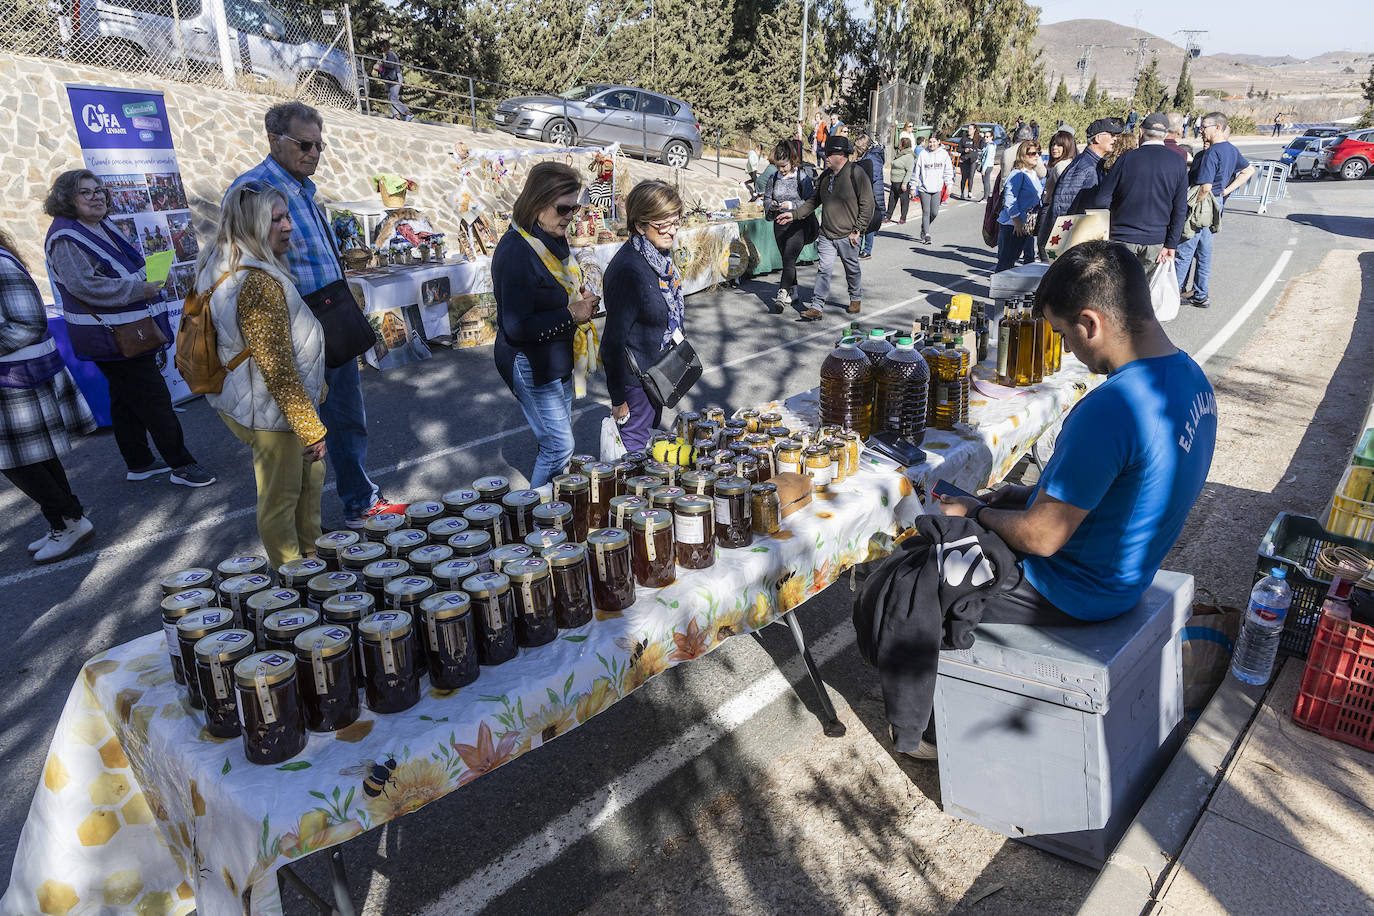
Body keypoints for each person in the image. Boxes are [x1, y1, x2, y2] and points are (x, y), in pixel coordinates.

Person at [866, 241, 1215, 759]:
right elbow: (1128, 485)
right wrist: (1029, 494)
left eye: (1064, 333)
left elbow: (1043, 537)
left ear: (1091, 322)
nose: (1068, 350)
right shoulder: (1191, 380)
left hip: (1073, 592)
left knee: (909, 574)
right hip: (1124, 575)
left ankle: (922, 729)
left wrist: (980, 511)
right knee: (961, 532)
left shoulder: (1112, 407)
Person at [228, 101, 395, 528]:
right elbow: (239, 265)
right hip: (290, 324)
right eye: (305, 144)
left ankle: (358, 503)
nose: (314, 153)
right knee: (300, 433)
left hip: (328, 316)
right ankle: (305, 535)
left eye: (319, 145)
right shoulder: (252, 189)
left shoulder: (304, 189)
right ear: (273, 141)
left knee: (345, 415)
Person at [43, 170, 216, 488]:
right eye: (86, 192)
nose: (97, 197)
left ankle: (139, 462)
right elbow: (85, 286)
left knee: (124, 397)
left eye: (99, 191)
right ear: (67, 198)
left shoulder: (96, 224)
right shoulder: (65, 238)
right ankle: (182, 464)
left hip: (124, 330)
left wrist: (149, 279)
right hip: (111, 335)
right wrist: (140, 290)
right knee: (154, 399)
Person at [199, 183, 327, 567]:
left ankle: (314, 558)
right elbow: (277, 366)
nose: (288, 226)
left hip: (263, 403)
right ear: (253, 225)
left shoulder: (229, 261)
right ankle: (294, 581)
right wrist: (309, 426)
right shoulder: (255, 280)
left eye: (287, 216)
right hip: (271, 411)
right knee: (281, 499)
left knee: (308, 481)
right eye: (277, 219)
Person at [491, 162, 598, 486]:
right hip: (529, 362)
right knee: (558, 446)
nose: (571, 216)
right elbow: (516, 326)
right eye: (564, 208)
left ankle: (553, 508)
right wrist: (571, 314)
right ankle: (537, 525)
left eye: (575, 207)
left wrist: (579, 295)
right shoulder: (517, 251)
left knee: (555, 442)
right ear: (538, 204)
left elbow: (556, 287)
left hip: (555, 355)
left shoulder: (551, 237)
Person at [1, 229, 98, 563]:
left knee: (20, 463)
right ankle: (64, 520)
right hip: (15, 380)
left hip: (15, 382)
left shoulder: (0, 264)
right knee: (31, 458)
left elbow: (28, 322)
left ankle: (70, 520)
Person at [601, 181, 687, 451]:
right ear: (640, 225)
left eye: (676, 221)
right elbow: (612, 343)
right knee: (634, 452)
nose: (672, 230)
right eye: (664, 223)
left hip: (658, 375)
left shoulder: (658, 257)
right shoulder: (629, 270)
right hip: (636, 385)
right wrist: (618, 399)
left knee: (649, 442)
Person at [778, 134, 873, 320]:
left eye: (829, 153)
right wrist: (794, 214)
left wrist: (857, 230)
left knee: (851, 268)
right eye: (825, 153)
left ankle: (855, 297)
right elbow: (813, 201)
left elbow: (867, 204)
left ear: (842, 155)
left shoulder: (856, 173)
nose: (826, 157)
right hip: (827, 235)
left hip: (849, 235)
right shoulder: (825, 176)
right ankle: (816, 306)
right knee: (824, 269)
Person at [1174, 112, 1255, 309]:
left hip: (1203, 205)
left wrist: (1193, 206)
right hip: (1217, 204)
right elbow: (1249, 171)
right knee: (1204, 251)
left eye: (1204, 126)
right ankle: (1201, 294)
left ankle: (1172, 294)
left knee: (1185, 250)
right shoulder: (1231, 150)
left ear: (1217, 127)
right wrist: (1225, 191)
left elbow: (1205, 186)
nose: (1201, 130)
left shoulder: (1212, 153)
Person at [1092, 113, 1188, 270]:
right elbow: (1180, 208)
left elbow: (1101, 200)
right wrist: (1171, 243)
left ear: (1141, 132)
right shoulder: (1178, 162)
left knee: (1118, 290)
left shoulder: (1126, 159)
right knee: (1146, 291)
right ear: (1164, 135)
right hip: (1156, 241)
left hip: (1122, 237)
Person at [760, 140, 817, 315]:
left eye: (784, 166)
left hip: (798, 224)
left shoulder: (802, 177)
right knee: (787, 259)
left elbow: (810, 201)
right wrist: (773, 206)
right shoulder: (773, 178)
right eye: (778, 166)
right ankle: (794, 291)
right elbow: (767, 199)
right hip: (780, 224)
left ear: (792, 161)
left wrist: (790, 205)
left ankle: (781, 293)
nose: (782, 170)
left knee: (790, 257)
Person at [1051, 118, 1123, 218]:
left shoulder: (1095, 165)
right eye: (1111, 134)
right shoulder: (1084, 167)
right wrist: (1064, 230)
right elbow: (1063, 205)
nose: (1115, 139)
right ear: (1097, 138)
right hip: (1075, 230)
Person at [995, 140, 1043, 272]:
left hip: (1024, 224)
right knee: (1007, 261)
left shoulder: (1032, 173)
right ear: (1023, 155)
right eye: (1032, 153)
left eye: (1039, 152)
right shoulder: (1018, 174)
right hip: (1013, 225)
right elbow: (1010, 198)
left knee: (1012, 259)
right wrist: (1016, 221)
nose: (1037, 156)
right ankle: (997, 291)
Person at [1037, 130, 1079, 260]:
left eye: (1059, 145)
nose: (1054, 148)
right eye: (1053, 144)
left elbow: (1067, 189)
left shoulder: (1060, 166)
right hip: (1064, 214)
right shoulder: (1074, 163)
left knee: (1046, 250)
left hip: (1052, 211)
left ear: (1068, 147)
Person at [910, 132, 953, 246]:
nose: (932, 144)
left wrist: (949, 184)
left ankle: (924, 226)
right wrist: (913, 186)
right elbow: (916, 171)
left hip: (937, 188)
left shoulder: (943, 154)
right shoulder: (923, 154)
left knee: (934, 212)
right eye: (930, 142)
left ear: (939, 142)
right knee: (926, 211)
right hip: (924, 188)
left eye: (934, 142)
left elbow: (948, 171)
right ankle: (927, 235)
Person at [854, 135, 886, 259]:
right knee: (863, 220)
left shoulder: (873, 158)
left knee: (869, 223)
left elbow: (872, 175)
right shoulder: (868, 156)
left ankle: (867, 250)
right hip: (867, 192)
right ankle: (858, 248)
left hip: (872, 193)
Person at [374, 40, 409, 121]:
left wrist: (381, 64)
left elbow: (391, 65)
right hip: (391, 77)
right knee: (390, 97)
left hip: (395, 77)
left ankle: (408, 113)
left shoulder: (390, 54)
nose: (381, 49)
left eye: (382, 47)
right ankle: (397, 116)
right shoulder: (388, 54)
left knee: (393, 98)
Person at [886, 137, 915, 225]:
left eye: (900, 144)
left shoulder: (909, 156)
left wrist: (905, 183)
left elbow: (909, 171)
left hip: (902, 182)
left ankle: (903, 218)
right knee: (892, 200)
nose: (898, 145)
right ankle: (888, 216)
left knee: (904, 201)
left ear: (903, 145)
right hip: (894, 181)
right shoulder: (899, 154)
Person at [956, 125, 982, 199]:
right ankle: (962, 193)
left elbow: (982, 146)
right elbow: (958, 149)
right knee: (964, 177)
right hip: (964, 160)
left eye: (970, 129)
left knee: (971, 176)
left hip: (973, 160)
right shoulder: (964, 138)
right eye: (968, 129)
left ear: (974, 130)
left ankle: (970, 192)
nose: (969, 130)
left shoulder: (977, 138)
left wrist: (982, 137)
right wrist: (964, 150)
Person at [978, 136, 999, 202]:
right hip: (988, 165)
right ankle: (987, 196)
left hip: (987, 166)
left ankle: (985, 198)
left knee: (986, 182)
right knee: (986, 181)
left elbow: (987, 158)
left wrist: (983, 169)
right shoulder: (989, 145)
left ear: (991, 137)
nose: (985, 138)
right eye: (985, 136)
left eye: (987, 137)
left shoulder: (990, 146)